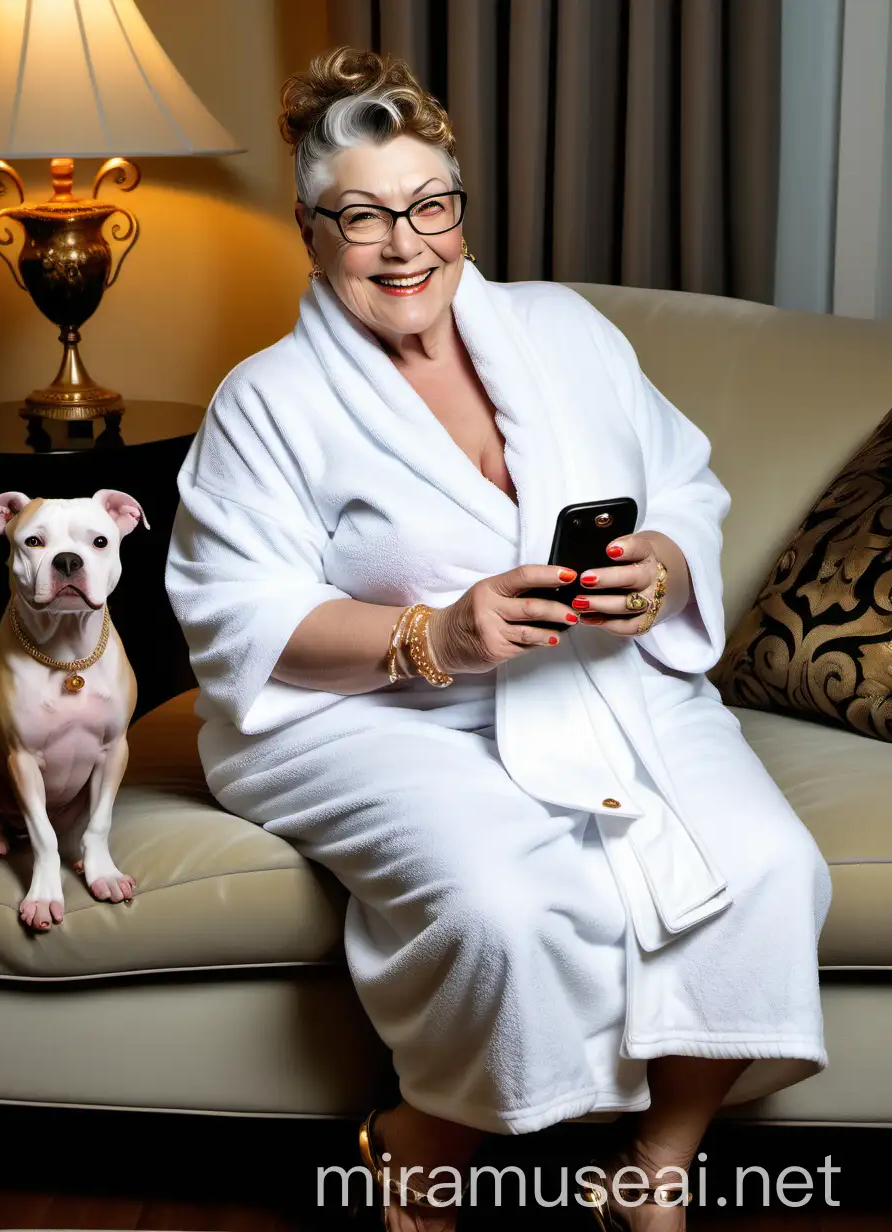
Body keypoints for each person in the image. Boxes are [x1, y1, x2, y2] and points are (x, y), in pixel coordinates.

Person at [165, 46, 832, 1231]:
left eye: (429, 206)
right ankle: (421, 1145)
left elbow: (681, 481)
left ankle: (654, 1166)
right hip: (378, 711)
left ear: (460, 208)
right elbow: (235, 613)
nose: (404, 243)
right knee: (509, 911)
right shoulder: (267, 401)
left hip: (595, 674)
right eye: (363, 216)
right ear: (312, 231)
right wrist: (434, 634)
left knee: (772, 869)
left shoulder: (561, 331)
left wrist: (660, 569)